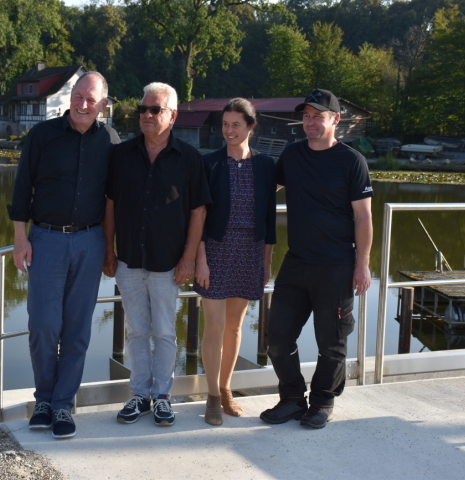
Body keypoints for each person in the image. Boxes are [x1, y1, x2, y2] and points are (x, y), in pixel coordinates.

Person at [7, 72, 119, 439]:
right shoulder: (42, 136)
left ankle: (62, 405)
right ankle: (44, 398)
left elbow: (112, 201)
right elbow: (22, 187)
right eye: (77, 96)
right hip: (46, 241)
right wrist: (20, 239)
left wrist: (109, 247)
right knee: (42, 324)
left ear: (103, 105)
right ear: (70, 96)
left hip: (90, 242)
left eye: (91, 99)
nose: (82, 104)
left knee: (77, 330)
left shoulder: (111, 141)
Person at [260, 88, 373, 429]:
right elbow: (263, 187)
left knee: (331, 344)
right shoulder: (292, 155)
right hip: (296, 263)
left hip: (337, 266)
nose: (310, 121)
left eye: (318, 116)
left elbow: (363, 217)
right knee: (277, 337)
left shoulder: (352, 161)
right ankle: (293, 399)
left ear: (335, 119)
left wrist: (363, 263)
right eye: (306, 116)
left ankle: (323, 401)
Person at [103, 82, 211, 427]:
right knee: (135, 331)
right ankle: (139, 395)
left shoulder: (189, 158)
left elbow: (198, 212)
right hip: (129, 260)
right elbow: (110, 204)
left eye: (155, 110)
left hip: (169, 263)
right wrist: (109, 250)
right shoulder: (121, 155)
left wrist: (189, 259)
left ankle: (163, 396)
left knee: (164, 331)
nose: (146, 115)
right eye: (143, 109)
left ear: (173, 116)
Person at [193, 98, 276, 426]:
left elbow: (269, 216)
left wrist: (267, 261)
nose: (228, 130)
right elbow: (197, 216)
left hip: (249, 251)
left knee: (235, 325)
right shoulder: (209, 163)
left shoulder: (266, 165)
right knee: (213, 326)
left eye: (235, 125)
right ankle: (212, 396)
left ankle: (227, 388)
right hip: (215, 250)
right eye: (225, 124)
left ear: (250, 127)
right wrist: (200, 259)